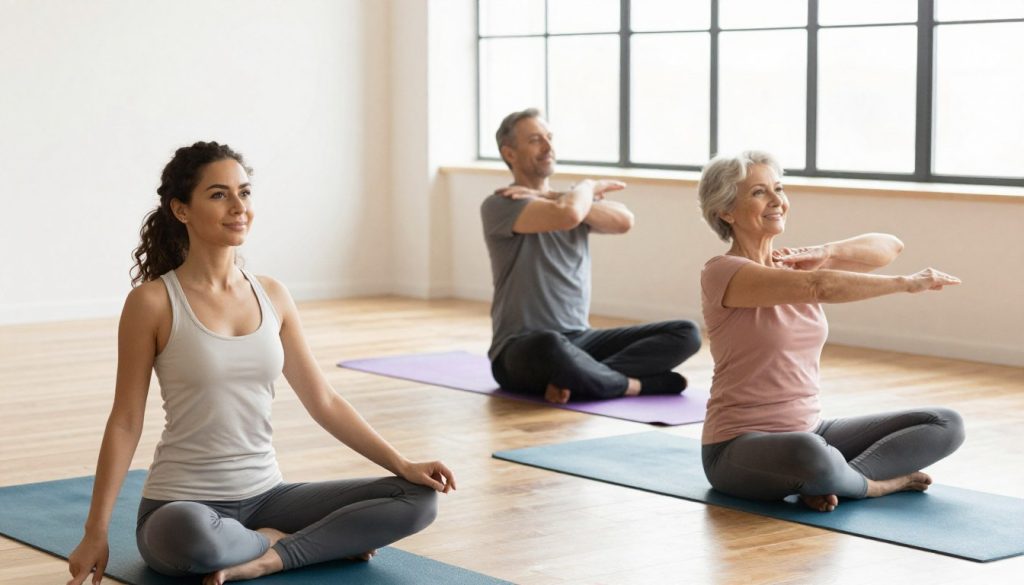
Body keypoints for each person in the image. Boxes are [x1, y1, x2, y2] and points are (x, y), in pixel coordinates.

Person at [66, 142, 455, 585]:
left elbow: (324, 401)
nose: (238, 207)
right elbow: (125, 421)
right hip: (183, 507)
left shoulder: (272, 295)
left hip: (269, 497)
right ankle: (286, 542)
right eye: (219, 194)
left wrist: (402, 464)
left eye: (245, 192)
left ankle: (271, 554)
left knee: (418, 498)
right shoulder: (152, 302)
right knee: (190, 535)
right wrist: (95, 531)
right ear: (181, 209)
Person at [697, 150, 965, 512]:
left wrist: (827, 251)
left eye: (779, 188)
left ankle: (831, 480)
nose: (777, 200)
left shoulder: (795, 264)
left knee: (945, 423)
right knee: (808, 452)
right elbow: (819, 287)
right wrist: (905, 284)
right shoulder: (723, 272)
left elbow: (890, 245)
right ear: (726, 211)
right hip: (736, 448)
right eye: (759, 192)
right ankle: (872, 485)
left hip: (812, 430)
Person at [481, 108, 702, 404]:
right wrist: (586, 186)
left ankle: (579, 379)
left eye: (549, 137)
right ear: (509, 153)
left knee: (686, 333)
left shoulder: (570, 202)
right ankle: (633, 385)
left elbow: (624, 221)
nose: (548, 146)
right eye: (535, 140)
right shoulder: (501, 204)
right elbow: (568, 215)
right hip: (520, 349)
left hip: (580, 340)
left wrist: (555, 195)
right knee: (549, 345)